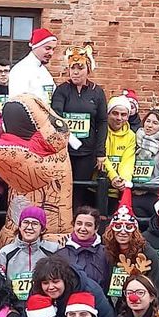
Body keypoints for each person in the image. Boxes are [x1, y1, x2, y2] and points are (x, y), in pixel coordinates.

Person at [51, 46, 107, 207]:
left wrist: (100, 152)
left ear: (88, 69)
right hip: (65, 151)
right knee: (62, 189)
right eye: (72, 68)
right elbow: (56, 115)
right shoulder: (62, 90)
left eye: (80, 68)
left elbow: (102, 122)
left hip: (87, 152)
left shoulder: (97, 93)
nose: (75, 72)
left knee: (80, 192)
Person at [7, 26, 59, 103]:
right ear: (36, 47)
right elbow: (18, 104)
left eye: (53, 49)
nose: (51, 53)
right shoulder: (21, 70)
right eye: (47, 48)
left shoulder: (44, 71)